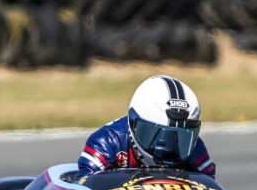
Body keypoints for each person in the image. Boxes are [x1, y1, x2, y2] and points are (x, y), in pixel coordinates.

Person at [78, 75, 215, 176]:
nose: (168, 147)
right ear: (134, 123)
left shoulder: (195, 148)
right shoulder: (106, 142)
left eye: (179, 137)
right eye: (157, 136)